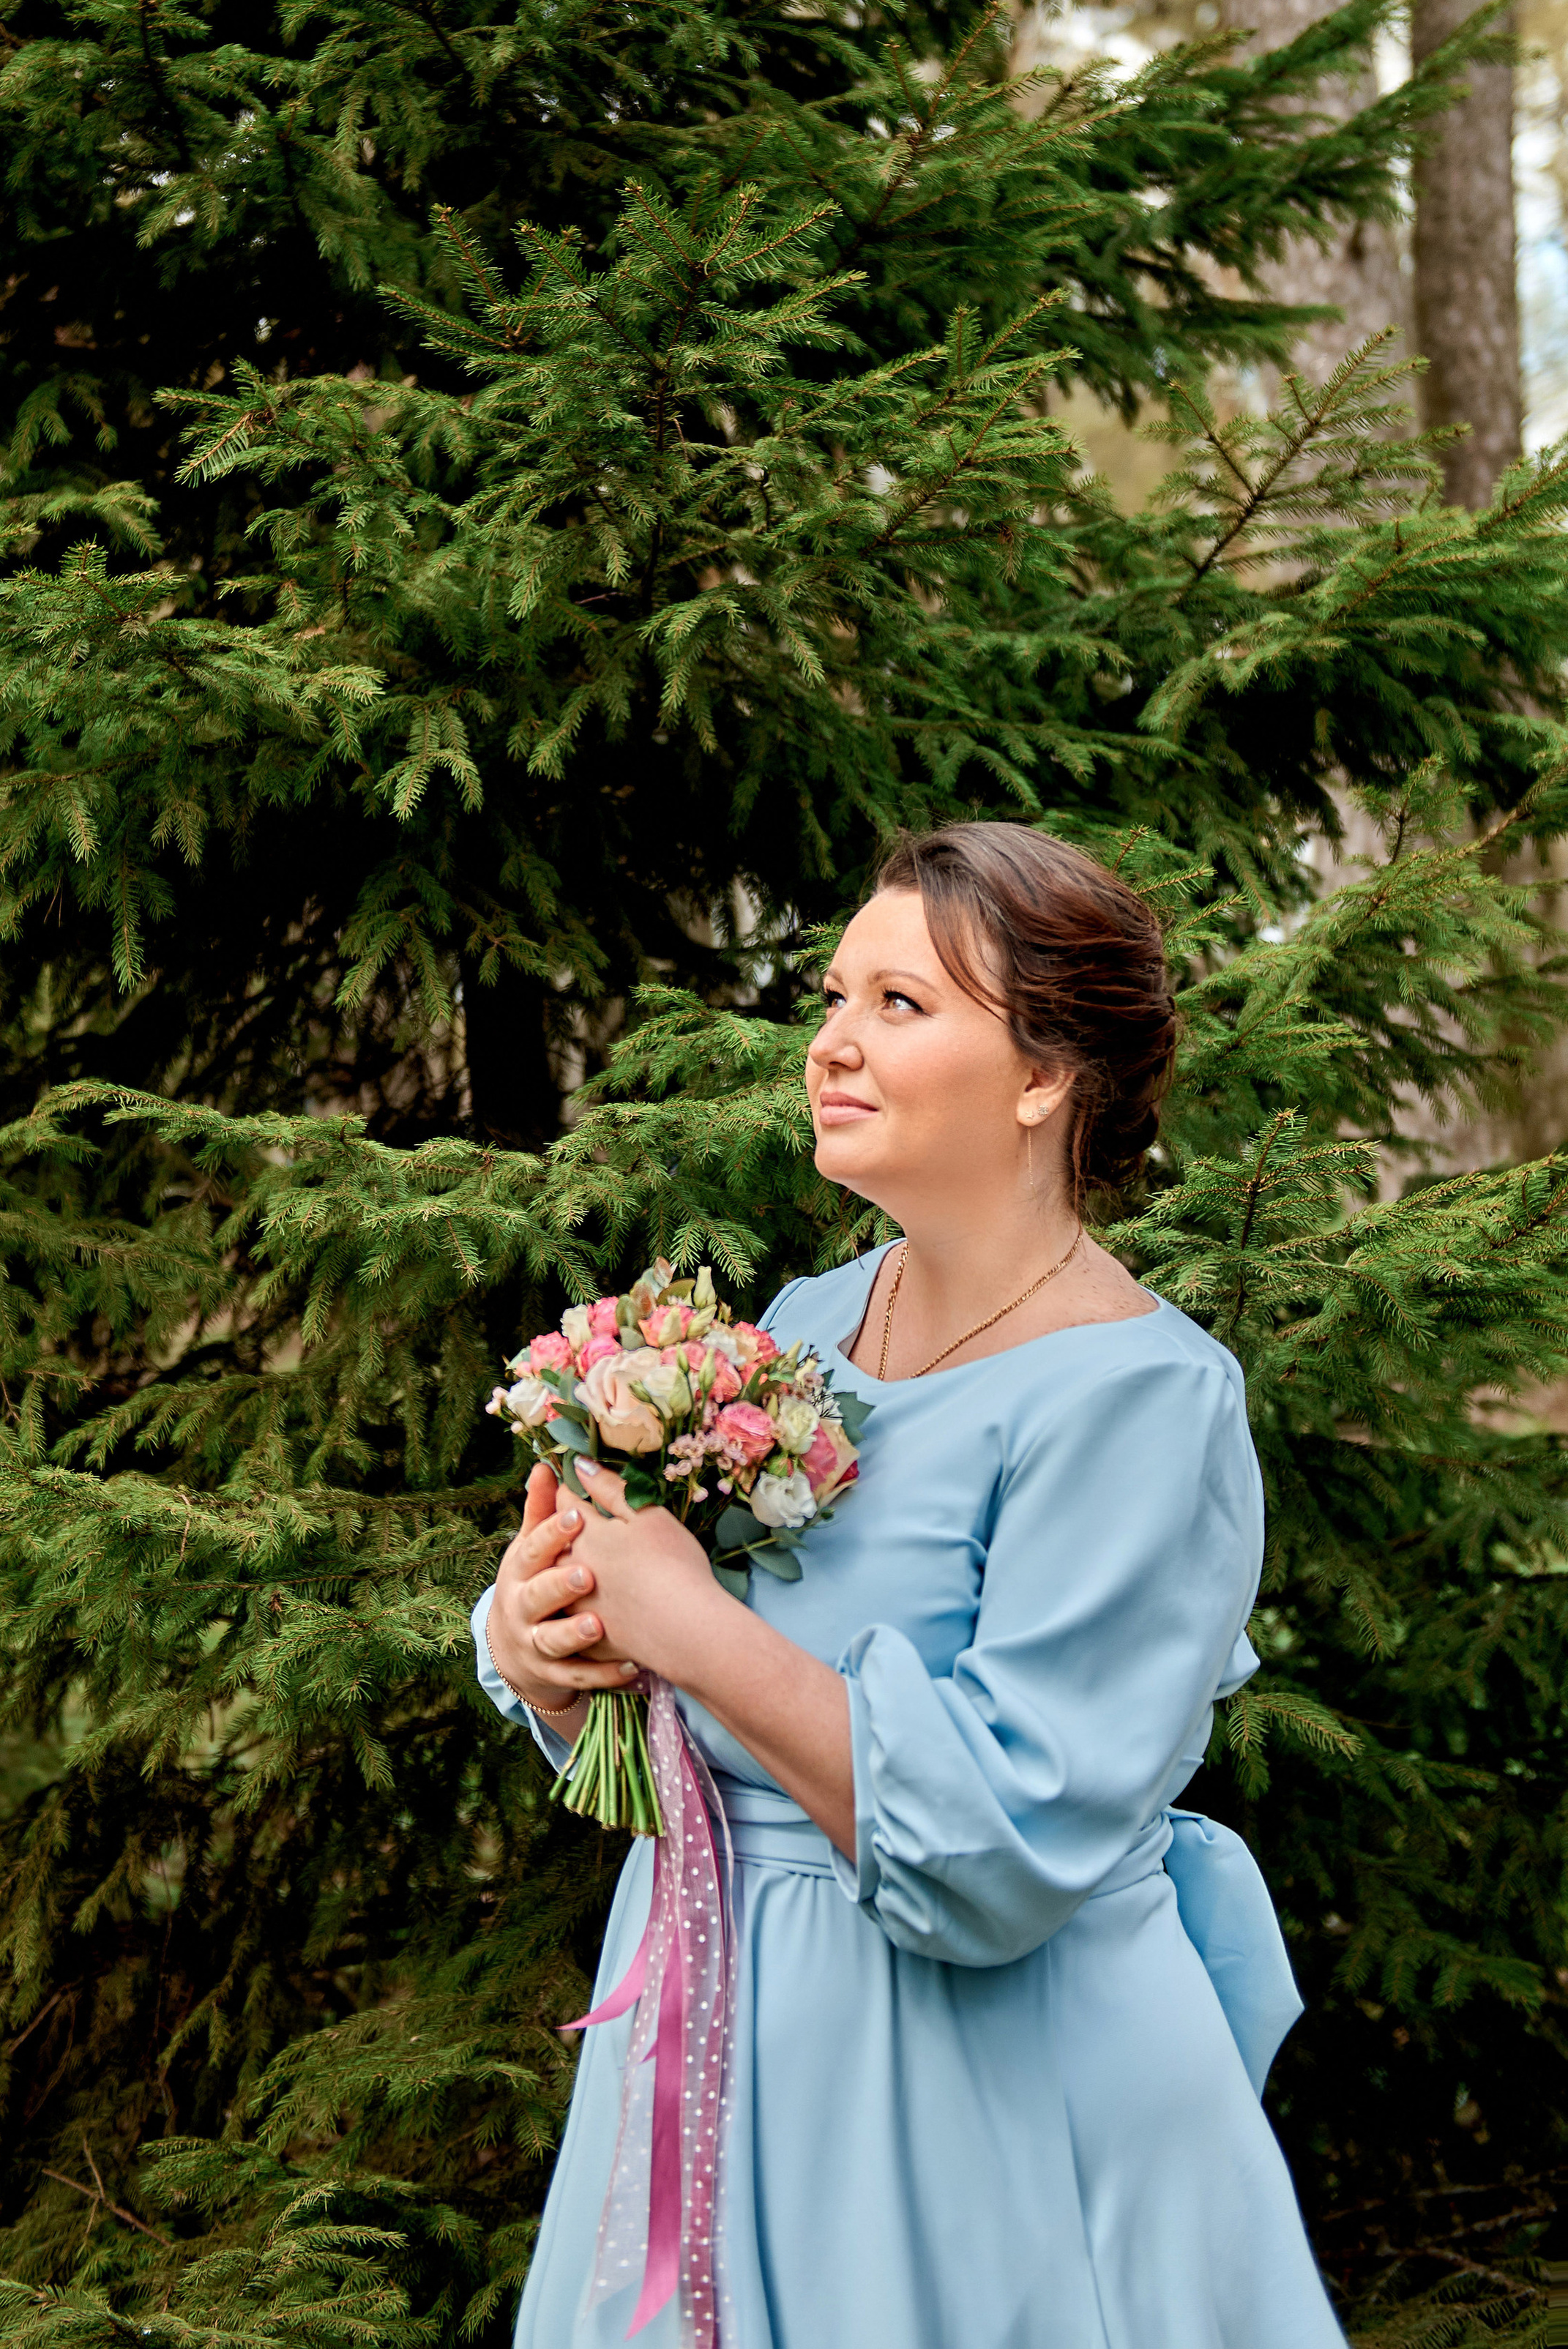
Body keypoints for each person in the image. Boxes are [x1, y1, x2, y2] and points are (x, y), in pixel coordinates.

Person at [471, 822, 1346, 2349]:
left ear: (1038, 1078)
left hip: (975, 2094)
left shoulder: (1141, 1401)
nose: (828, 1045)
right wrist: (555, 1653)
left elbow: (997, 1851)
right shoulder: (797, 1331)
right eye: (831, 998)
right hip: (719, 2033)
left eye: (898, 1005)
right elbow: (701, 1747)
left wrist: (696, 1626)